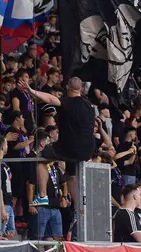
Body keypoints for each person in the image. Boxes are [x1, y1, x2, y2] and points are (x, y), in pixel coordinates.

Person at [24, 77, 95, 206]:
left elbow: (50, 99)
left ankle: (43, 195)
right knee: (70, 174)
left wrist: (32, 91)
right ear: (80, 89)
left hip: (69, 147)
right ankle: (79, 206)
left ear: (67, 87)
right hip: (88, 149)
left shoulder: (68, 102)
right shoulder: (89, 105)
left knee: (41, 158)